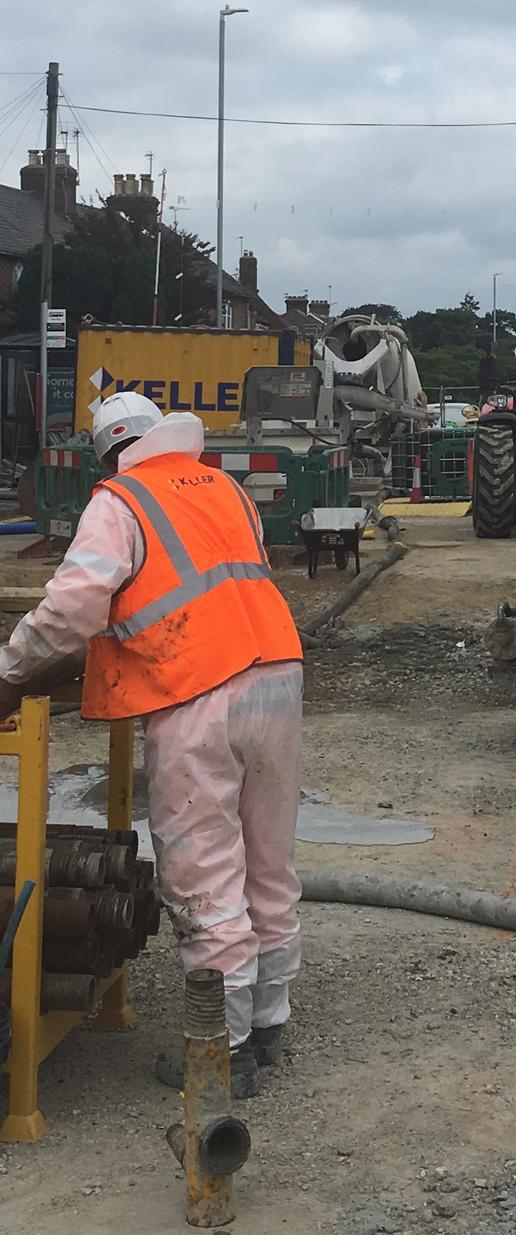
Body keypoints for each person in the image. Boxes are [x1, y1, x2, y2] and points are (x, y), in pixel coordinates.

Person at [0, 392, 303, 1097]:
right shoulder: (223, 487)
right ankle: (267, 1025)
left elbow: (73, 609)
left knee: (204, 879)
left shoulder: (120, 499)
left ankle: (220, 1055)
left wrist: (9, 672)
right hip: (277, 674)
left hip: (197, 692)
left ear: (107, 452)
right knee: (268, 862)